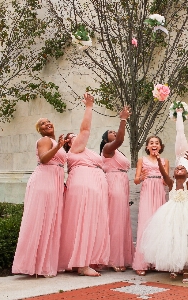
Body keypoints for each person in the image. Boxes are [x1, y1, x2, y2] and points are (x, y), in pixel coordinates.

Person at [58, 93, 110, 277]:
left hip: (93, 185)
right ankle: (82, 263)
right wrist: (89, 107)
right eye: (72, 136)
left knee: (89, 222)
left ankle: (82, 259)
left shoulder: (86, 151)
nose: (76, 137)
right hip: (84, 184)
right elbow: (85, 130)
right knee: (83, 221)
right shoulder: (74, 149)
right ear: (68, 143)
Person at [12, 118, 67, 277]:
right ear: (39, 129)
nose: (47, 124)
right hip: (44, 181)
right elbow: (44, 159)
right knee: (40, 219)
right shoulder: (44, 140)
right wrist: (58, 146)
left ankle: (45, 262)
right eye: (43, 123)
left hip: (54, 181)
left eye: (49, 121)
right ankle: (32, 264)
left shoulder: (54, 141)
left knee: (50, 220)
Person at [141, 151, 188, 283]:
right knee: (173, 239)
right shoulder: (171, 184)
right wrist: (158, 161)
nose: (179, 169)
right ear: (174, 174)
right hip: (172, 215)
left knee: (186, 240)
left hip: (186, 215)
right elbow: (163, 173)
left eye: (182, 168)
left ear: (186, 175)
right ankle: (174, 267)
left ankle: (186, 269)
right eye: (177, 168)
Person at [100, 106, 134, 272]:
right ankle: (113, 259)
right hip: (113, 183)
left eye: (115, 131)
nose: (114, 133)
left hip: (122, 182)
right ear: (106, 139)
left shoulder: (117, 151)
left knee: (121, 220)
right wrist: (123, 119)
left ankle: (123, 256)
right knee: (115, 221)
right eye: (111, 132)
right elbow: (120, 140)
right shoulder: (108, 149)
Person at [132, 136, 168, 276]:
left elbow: (166, 182)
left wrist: (160, 162)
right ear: (147, 147)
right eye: (151, 143)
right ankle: (141, 263)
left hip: (159, 192)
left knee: (159, 225)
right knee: (145, 224)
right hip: (147, 192)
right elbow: (136, 180)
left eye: (157, 143)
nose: (154, 145)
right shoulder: (142, 160)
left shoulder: (164, 161)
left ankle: (157, 261)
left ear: (160, 146)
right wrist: (141, 177)